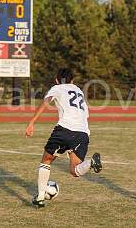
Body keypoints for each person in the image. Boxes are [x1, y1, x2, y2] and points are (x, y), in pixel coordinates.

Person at [25, 68, 102, 208]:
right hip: (83, 132)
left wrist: (31, 123)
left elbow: (45, 102)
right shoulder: (78, 90)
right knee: (75, 170)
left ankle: (40, 197)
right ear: (72, 80)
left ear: (56, 80)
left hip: (65, 129)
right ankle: (91, 163)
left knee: (46, 160)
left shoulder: (57, 88)